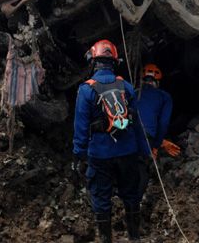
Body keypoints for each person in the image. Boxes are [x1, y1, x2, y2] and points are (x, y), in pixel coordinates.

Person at [72, 40, 148, 243]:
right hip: (128, 150)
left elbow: (81, 127)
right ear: (114, 61)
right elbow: (137, 123)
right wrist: (144, 151)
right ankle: (134, 237)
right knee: (131, 194)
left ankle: (106, 239)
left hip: (100, 154)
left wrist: (79, 155)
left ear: (93, 61)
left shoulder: (86, 90)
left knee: (101, 198)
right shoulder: (127, 87)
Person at [135, 63, 174, 211]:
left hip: (128, 134)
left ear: (142, 79)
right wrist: (157, 145)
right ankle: (133, 207)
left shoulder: (133, 92)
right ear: (157, 82)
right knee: (142, 171)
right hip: (146, 136)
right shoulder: (164, 97)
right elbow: (163, 123)